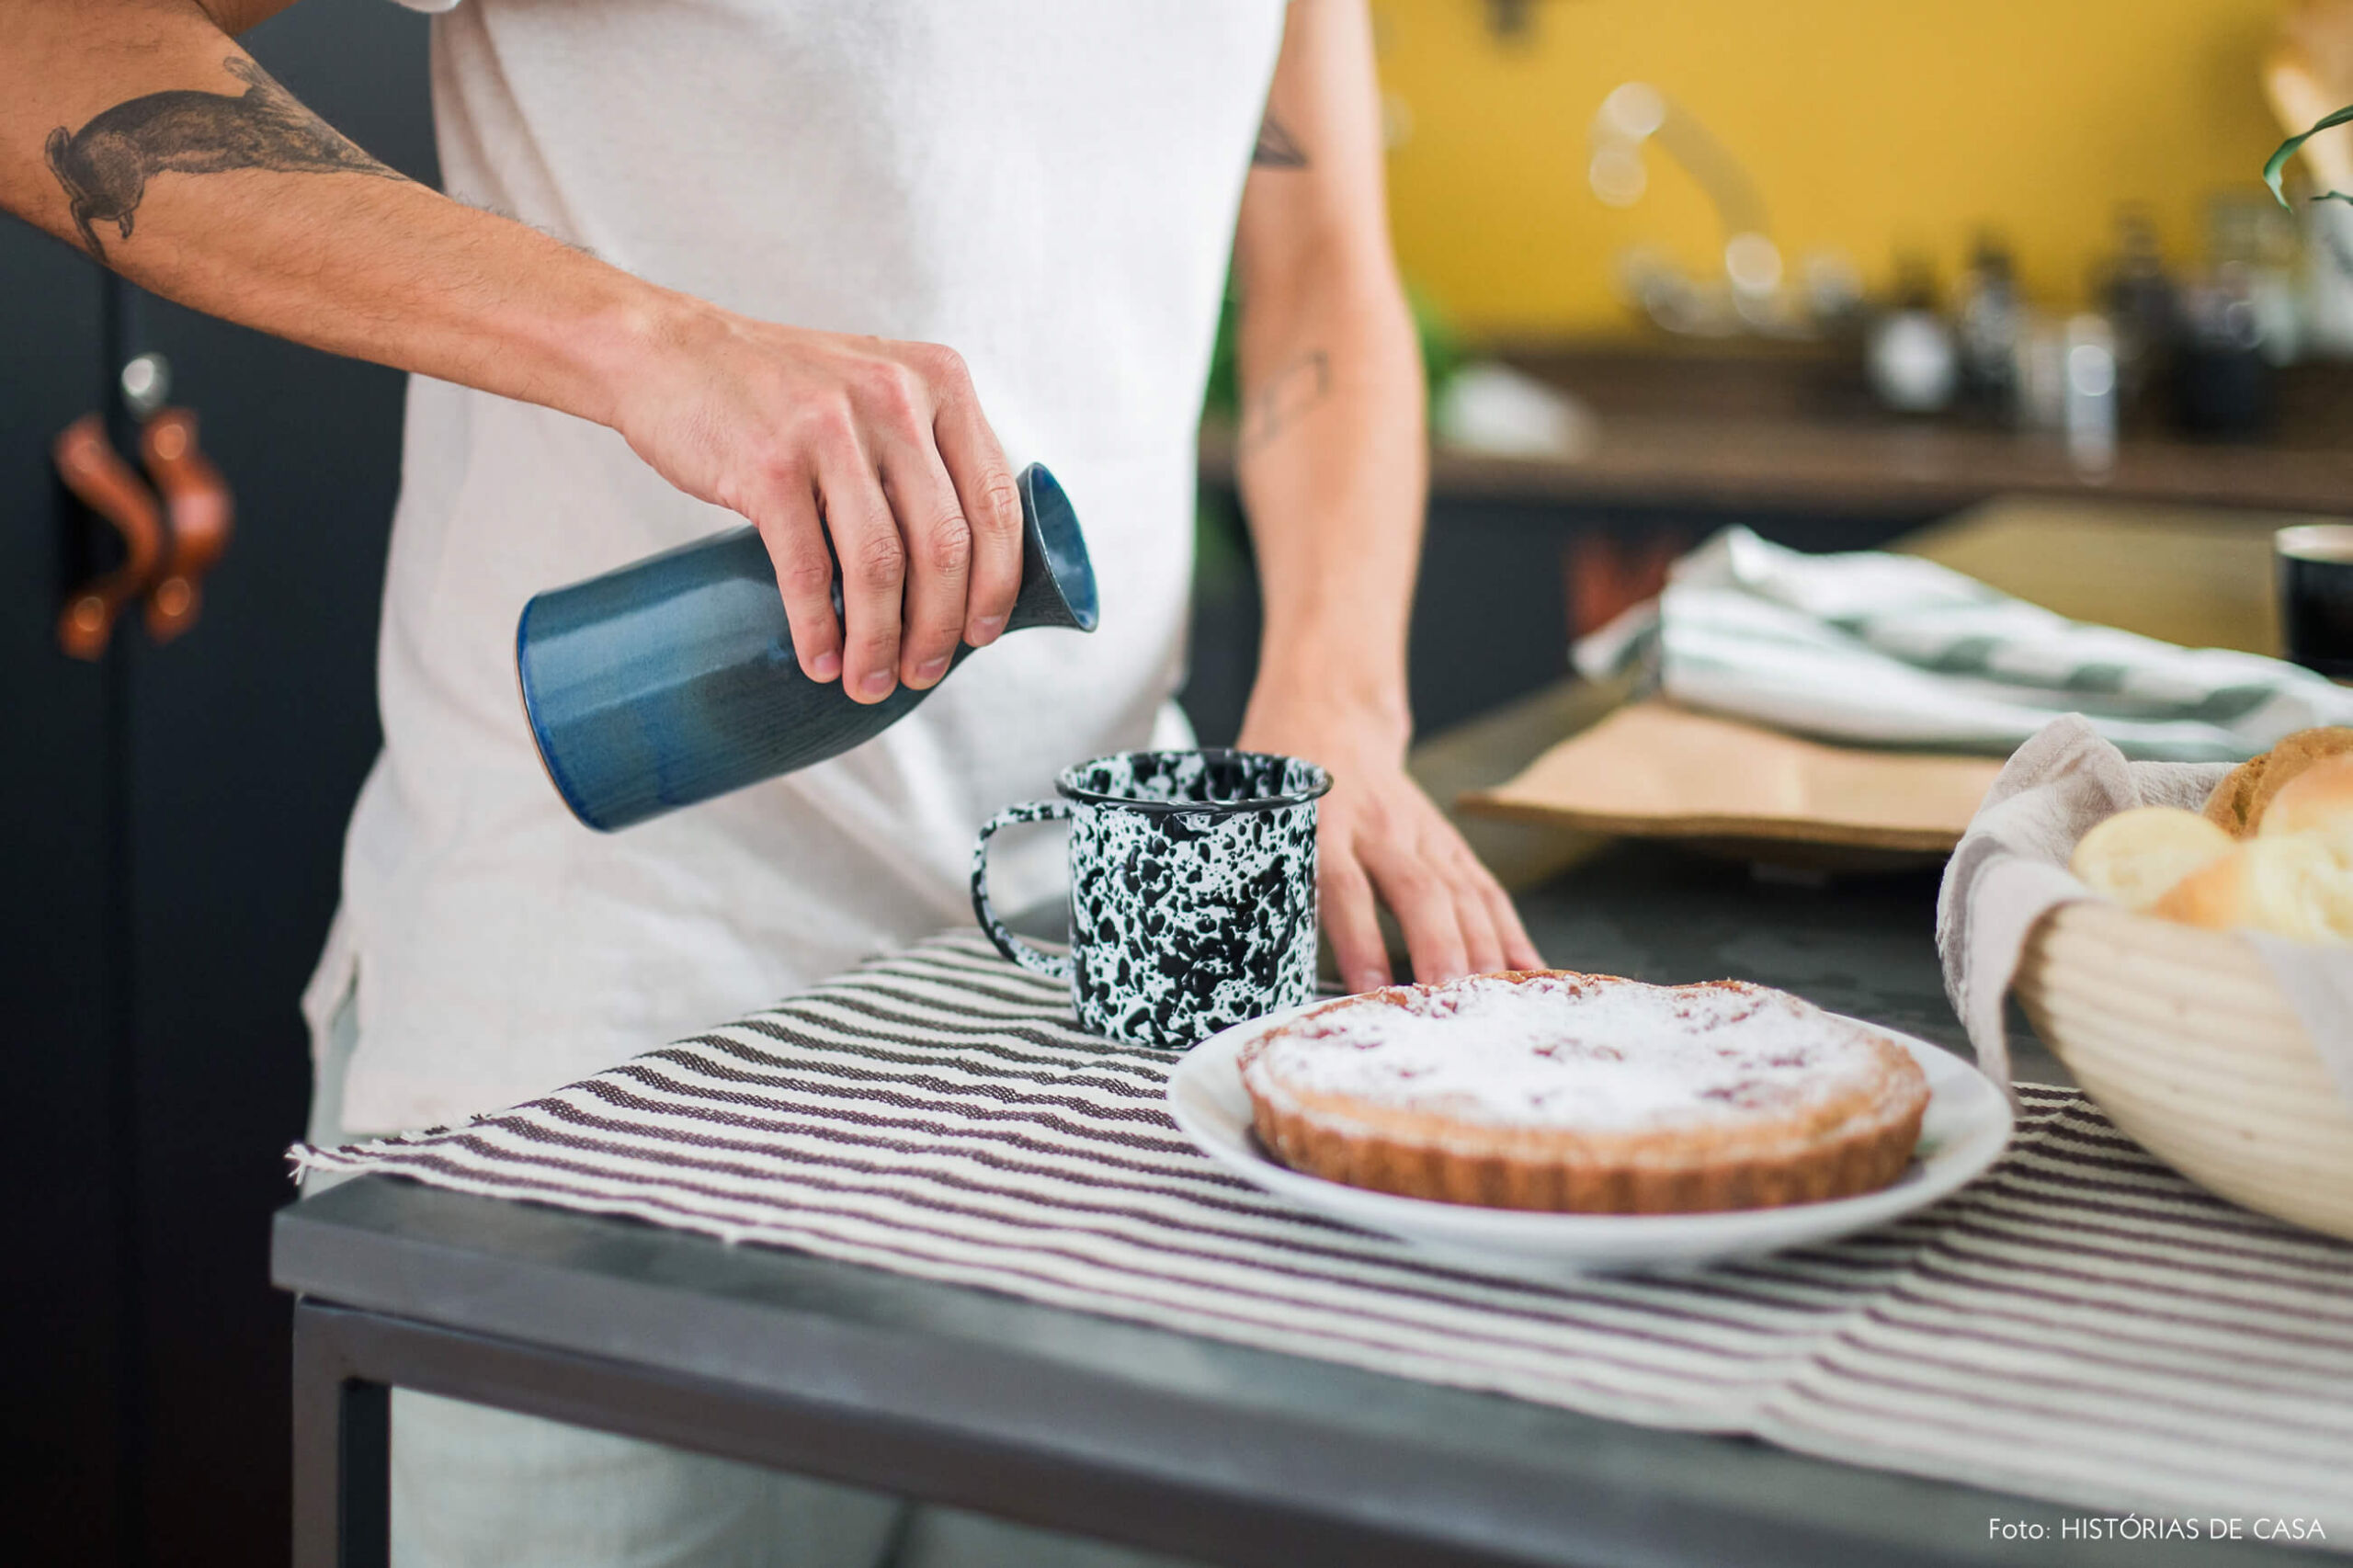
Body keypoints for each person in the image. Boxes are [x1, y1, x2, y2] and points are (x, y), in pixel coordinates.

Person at [5, 1, 1541, 1562]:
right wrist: (649, 340)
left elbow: (1320, 269)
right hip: (608, 1057)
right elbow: (37, 44)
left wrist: (1338, 698)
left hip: (1080, 1043)